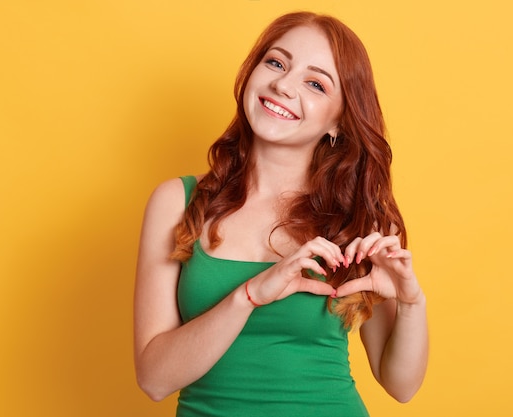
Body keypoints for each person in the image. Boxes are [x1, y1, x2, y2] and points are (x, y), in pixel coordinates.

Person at [133, 11, 428, 417]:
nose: (283, 85)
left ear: (338, 123)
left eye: (315, 83)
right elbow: (154, 379)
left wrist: (412, 303)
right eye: (276, 62)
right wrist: (251, 295)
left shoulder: (358, 221)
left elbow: (400, 384)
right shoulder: (177, 202)